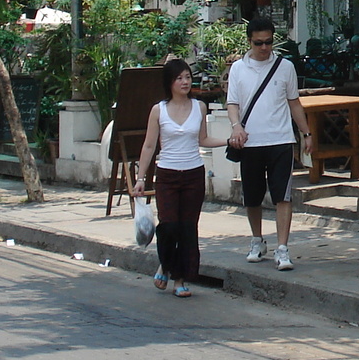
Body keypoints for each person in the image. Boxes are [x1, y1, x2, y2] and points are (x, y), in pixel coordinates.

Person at [133, 59, 229, 298]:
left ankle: (180, 279)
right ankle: (164, 264)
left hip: (193, 174)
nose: (185, 82)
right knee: (169, 226)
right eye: (179, 78)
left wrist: (228, 141)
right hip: (166, 174)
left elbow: (203, 140)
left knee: (187, 227)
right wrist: (140, 177)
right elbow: (148, 145)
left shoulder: (199, 107)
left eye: (187, 77)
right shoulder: (159, 110)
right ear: (170, 83)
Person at [227, 16, 313, 271]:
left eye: (268, 43)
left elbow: (294, 101)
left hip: (281, 139)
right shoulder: (238, 69)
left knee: (282, 196)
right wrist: (236, 126)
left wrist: (306, 133)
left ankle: (283, 247)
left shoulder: (285, 67)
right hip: (250, 142)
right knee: (252, 197)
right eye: (258, 43)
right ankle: (257, 240)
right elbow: (233, 103)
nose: (264, 48)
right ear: (249, 42)